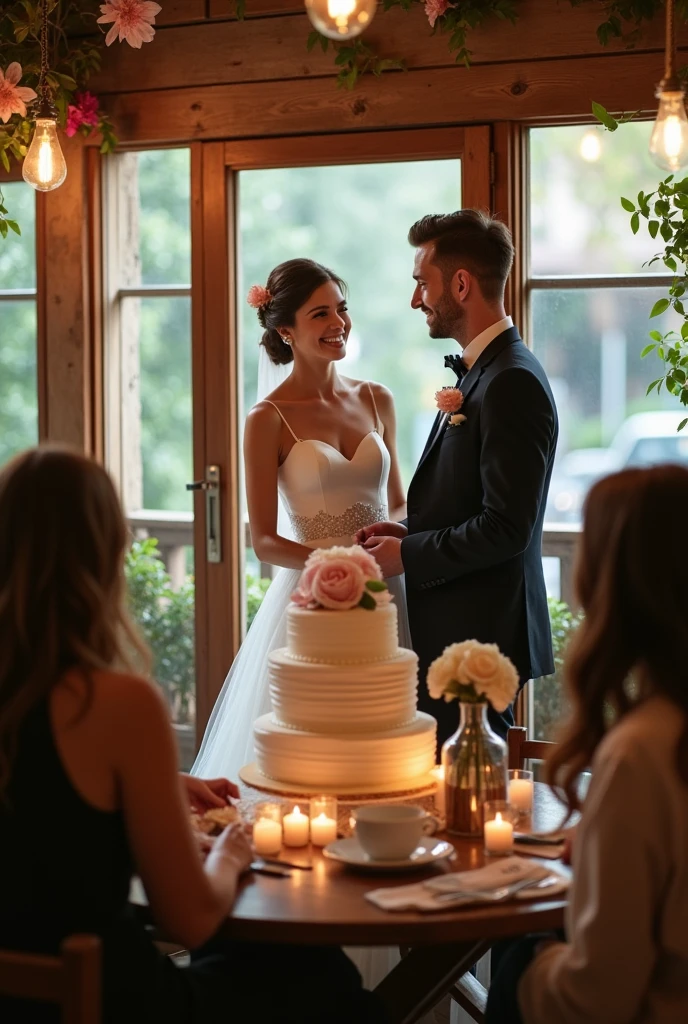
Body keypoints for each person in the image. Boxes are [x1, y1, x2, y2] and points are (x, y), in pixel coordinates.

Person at [0, 445, 384, 1024]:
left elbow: (39, 821)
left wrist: (152, 786)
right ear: (104, 555)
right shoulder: (118, 704)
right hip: (114, 1003)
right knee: (319, 972)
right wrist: (230, 852)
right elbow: (190, 918)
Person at [486, 464, 688, 1024]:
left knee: (521, 954)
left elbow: (594, 997)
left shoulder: (644, 751)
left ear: (613, 581)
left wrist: (528, 969)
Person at [192, 258, 407, 782]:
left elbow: (399, 502)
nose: (338, 324)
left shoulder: (378, 398)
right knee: (315, 753)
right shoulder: (267, 418)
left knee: (389, 744)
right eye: (320, 314)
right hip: (314, 597)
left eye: (342, 309)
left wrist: (390, 544)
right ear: (285, 330)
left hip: (389, 590)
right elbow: (263, 541)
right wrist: (341, 567)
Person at [357, 210, 558, 748]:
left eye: (422, 282)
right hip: (459, 628)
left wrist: (410, 556)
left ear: (462, 284)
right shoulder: (486, 371)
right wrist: (409, 534)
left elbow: (505, 527)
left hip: (479, 641)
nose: (416, 298)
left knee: (465, 806)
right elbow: (473, 502)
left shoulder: (511, 380)